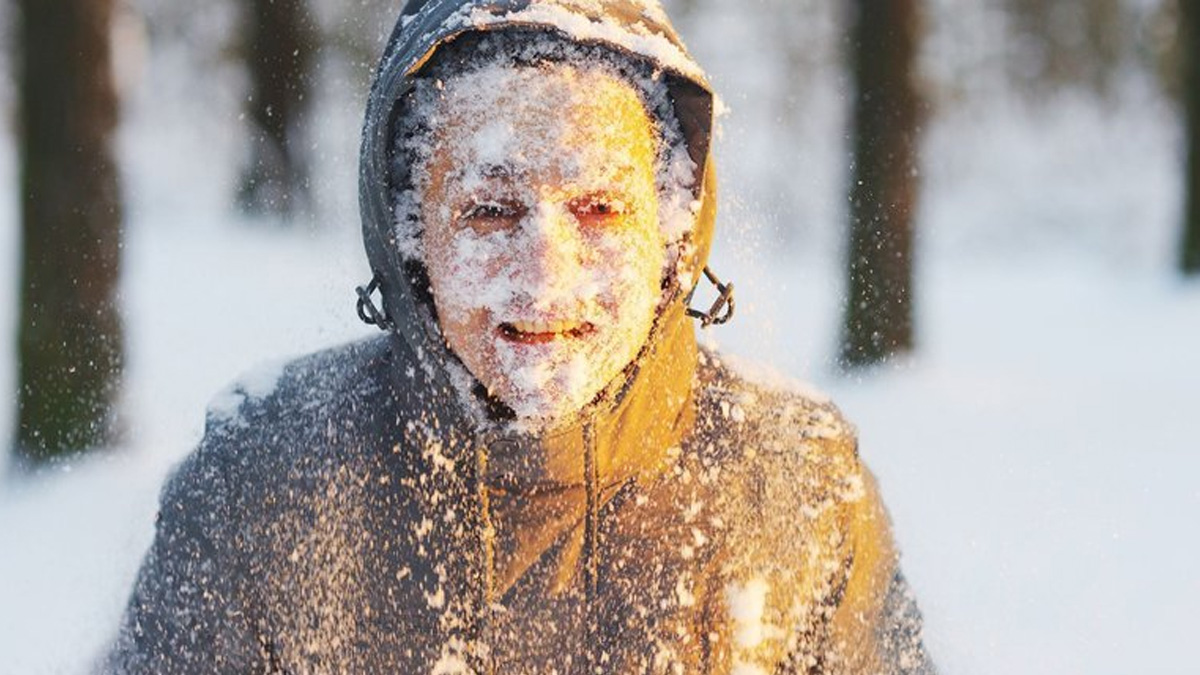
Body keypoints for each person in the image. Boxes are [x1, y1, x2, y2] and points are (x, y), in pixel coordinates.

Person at [101, 0, 935, 673]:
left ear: (673, 230)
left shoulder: (792, 485)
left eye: (600, 209)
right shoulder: (266, 483)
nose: (546, 276)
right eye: (490, 211)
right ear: (409, 232)